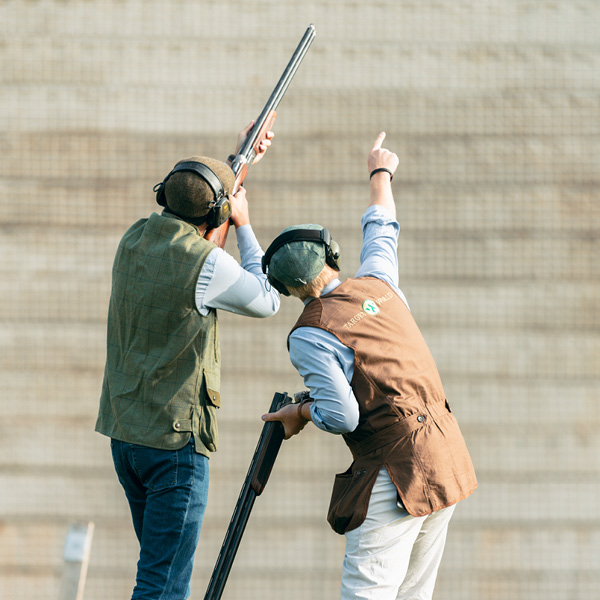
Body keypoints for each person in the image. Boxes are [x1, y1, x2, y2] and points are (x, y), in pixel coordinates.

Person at [261, 132, 477, 600]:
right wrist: (380, 170)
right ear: (331, 256)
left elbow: (343, 414)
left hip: (395, 472)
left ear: (286, 290)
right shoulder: (379, 280)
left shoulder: (308, 333)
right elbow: (382, 226)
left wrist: (299, 414)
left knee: (367, 594)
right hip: (444, 454)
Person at [95, 122, 280, 600]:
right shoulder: (208, 265)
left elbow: (195, 230)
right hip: (174, 447)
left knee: (158, 572)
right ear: (217, 212)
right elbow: (266, 300)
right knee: (162, 586)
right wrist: (244, 223)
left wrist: (241, 161)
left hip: (127, 439)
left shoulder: (134, 238)